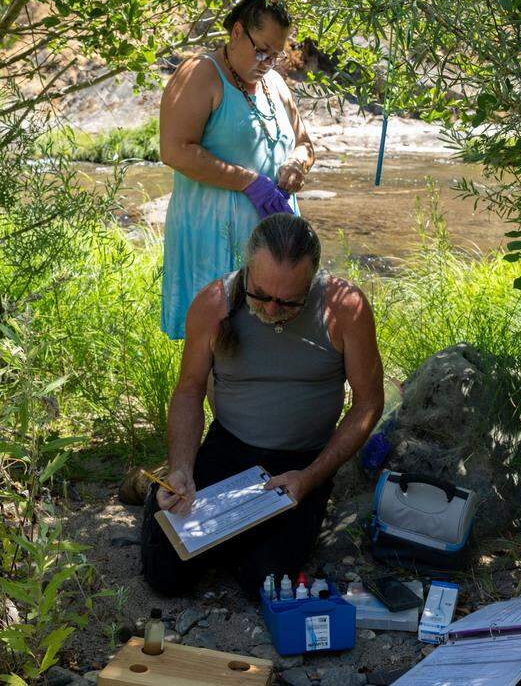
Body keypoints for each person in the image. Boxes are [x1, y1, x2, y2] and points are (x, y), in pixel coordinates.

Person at [140, 215, 384, 598]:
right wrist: (182, 468)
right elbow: (188, 391)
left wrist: (313, 476)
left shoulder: (344, 308)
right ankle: (157, 488)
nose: (271, 310)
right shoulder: (213, 303)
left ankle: (240, 537)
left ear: (313, 280)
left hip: (302, 463)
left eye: (289, 301)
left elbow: (369, 401)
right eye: (261, 294)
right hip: (230, 447)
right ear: (247, 267)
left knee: (264, 582)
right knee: (167, 576)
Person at [158, 0, 317, 340]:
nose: (267, 62)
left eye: (276, 54)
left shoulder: (275, 83)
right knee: (219, 342)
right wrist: (249, 182)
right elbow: (174, 150)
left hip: (274, 244)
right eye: (261, 50)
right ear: (236, 32)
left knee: (272, 341)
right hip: (210, 236)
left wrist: (297, 163)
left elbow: (305, 143)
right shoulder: (199, 73)